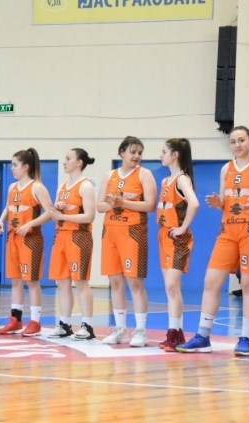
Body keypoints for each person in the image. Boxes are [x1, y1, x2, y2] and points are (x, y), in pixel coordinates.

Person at [176, 125, 249, 356]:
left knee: (248, 284)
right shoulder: (226, 168)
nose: (237, 145)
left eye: (241, 140)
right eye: (233, 141)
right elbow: (226, 202)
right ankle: (203, 336)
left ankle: (246, 338)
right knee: (211, 282)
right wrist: (219, 203)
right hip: (228, 230)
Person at [96, 136, 157, 347]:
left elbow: (150, 205)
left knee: (135, 282)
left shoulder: (144, 174)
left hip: (133, 232)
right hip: (110, 231)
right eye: (133, 152)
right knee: (115, 282)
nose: (137, 156)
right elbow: (100, 206)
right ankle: (120, 330)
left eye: (140, 152)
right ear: (122, 152)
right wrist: (113, 204)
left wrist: (124, 203)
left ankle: (140, 331)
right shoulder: (110, 175)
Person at [0, 148, 53, 337]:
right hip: (13, 237)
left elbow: (50, 212)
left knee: (32, 281)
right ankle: (16, 320)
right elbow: (8, 207)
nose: (12, 168)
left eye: (15, 165)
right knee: (15, 281)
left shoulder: (37, 187)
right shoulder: (12, 187)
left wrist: (30, 224)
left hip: (31, 239)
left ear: (26, 167)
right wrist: (1, 220)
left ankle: (35, 322)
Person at [47, 148, 97, 340]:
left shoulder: (86, 186)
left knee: (81, 282)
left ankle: (87, 325)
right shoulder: (62, 187)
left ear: (79, 163)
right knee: (62, 283)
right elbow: (55, 214)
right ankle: (65, 324)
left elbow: (89, 216)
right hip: (61, 236)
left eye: (68, 158)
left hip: (79, 237)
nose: (64, 161)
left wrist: (63, 216)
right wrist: (57, 208)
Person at [155, 138, 199, 352]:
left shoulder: (181, 179)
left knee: (172, 286)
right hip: (164, 235)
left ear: (175, 155)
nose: (160, 155)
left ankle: (174, 335)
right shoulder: (166, 180)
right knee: (170, 287)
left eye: (164, 151)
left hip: (177, 238)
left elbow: (194, 203)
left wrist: (182, 228)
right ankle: (176, 333)